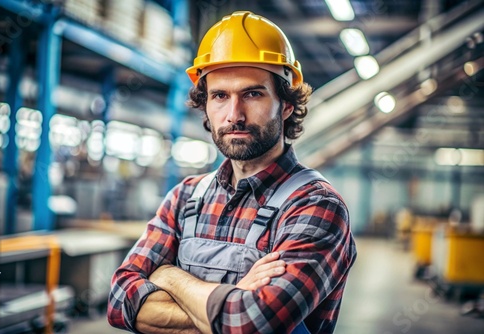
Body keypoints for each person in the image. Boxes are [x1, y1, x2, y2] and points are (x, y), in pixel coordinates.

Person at [108, 11, 356, 334]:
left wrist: (169, 277)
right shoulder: (184, 198)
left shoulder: (317, 206)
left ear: (286, 104)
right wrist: (234, 299)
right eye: (220, 96)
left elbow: (251, 323)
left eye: (252, 94)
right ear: (206, 105)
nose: (233, 115)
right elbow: (119, 301)